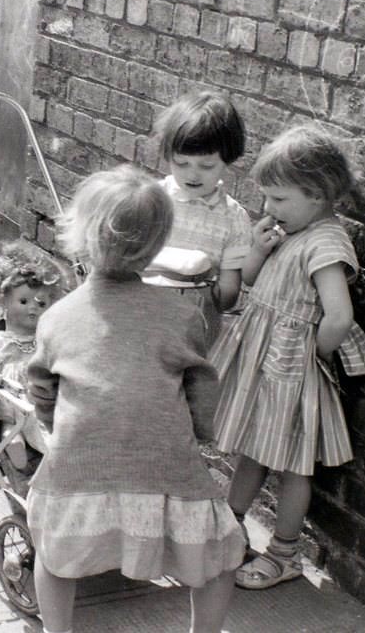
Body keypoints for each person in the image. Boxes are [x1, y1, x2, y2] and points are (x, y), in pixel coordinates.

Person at [25, 166, 243, 633]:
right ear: (159, 242)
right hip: (161, 460)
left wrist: (51, 422)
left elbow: (42, 386)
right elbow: (203, 389)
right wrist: (203, 436)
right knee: (220, 557)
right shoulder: (181, 317)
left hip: (79, 460)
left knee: (55, 556)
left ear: (80, 236)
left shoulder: (57, 317)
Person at [209, 125, 365, 590]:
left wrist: (309, 358)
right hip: (267, 366)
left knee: (292, 465)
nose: (269, 209)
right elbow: (249, 281)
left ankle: (284, 554)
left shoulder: (325, 242)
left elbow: (339, 316)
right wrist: (260, 250)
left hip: (290, 369)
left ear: (319, 195)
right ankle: (228, 528)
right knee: (252, 451)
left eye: (279, 199)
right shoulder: (290, 230)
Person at [142, 91, 253, 346]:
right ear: (169, 156)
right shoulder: (152, 200)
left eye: (206, 166)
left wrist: (210, 296)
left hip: (194, 323)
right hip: (143, 312)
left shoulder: (233, 218)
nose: (193, 174)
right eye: (182, 163)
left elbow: (229, 290)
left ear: (227, 160)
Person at [0, 241, 69, 486]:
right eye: (24, 302)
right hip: (14, 398)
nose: (33, 308)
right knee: (16, 426)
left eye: (41, 304)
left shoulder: (45, 337)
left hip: (39, 395)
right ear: (4, 302)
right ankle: (15, 443)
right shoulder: (2, 340)